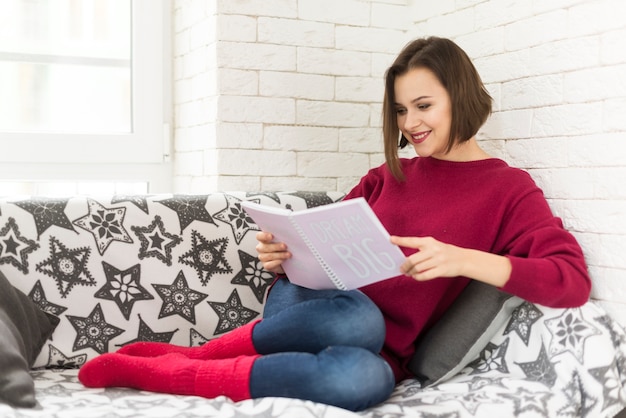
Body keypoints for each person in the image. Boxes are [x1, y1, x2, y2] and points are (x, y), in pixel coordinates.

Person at [77, 36, 591, 411]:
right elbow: (321, 243)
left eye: (424, 106)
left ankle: (188, 369)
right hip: (315, 309)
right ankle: (190, 359)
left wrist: (464, 260)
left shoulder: (507, 189)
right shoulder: (386, 176)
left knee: (362, 384)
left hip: (384, 349)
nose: (409, 123)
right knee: (357, 317)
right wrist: (283, 253)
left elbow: (570, 279)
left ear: (461, 94)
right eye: (399, 110)